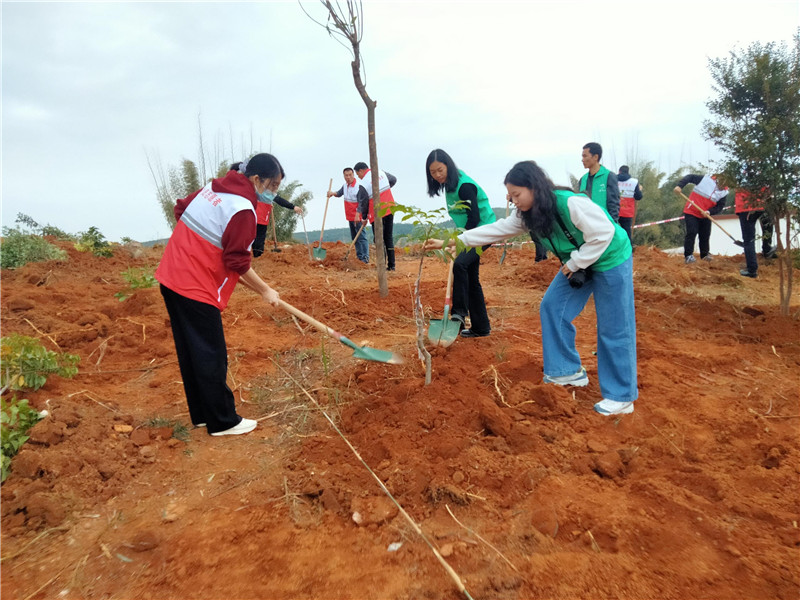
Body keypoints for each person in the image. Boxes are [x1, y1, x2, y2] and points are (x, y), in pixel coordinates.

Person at [425, 161, 637, 416]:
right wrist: (456, 241)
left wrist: (576, 262)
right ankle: (566, 371)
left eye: (517, 195)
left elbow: (603, 234)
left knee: (614, 325)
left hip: (609, 256)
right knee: (552, 307)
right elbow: (498, 229)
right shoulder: (527, 213)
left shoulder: (570, 203)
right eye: (511, 196)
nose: (514, 201)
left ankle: (621, 395)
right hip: (577, 260)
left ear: (534, 187)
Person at [155, 153, 282, 436]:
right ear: (256, 179)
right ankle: (222, 421)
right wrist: (265, 290)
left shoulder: (214, 189)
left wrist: (193, 246)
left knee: (191, 351)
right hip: (194, 285)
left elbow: (180, 210)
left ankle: (202, 414)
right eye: (272, 186)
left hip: (171, 275)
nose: (273, 193)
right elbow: (237, 261)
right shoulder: (242, 210)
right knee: (211, 353)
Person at [426, 149, 496, 338]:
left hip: (484, 231)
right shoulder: (450, 186)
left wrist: (458, 242)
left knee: (460, 265)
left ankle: (458, 314)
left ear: (448, 165)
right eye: (433, 173)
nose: (438, 175)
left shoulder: (464, 186)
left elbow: (474, 219)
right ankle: (481, 327)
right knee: (472, 279)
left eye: (440, 170)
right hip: (471, 233)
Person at [230, 162, 303, 258]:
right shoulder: (264, 188)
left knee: (250, 234)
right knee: (259, 234)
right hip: (260, 213)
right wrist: (293, 207)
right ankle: (257, 254)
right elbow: (278, 199)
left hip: (251, 212)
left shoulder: (251, 184)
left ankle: (248, 253)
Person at [673, 173, 728, 264]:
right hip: (692, 211)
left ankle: (705, 254)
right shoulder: (705, 180)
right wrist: (679, 186)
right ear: (720, 180)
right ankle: (688, 256)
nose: (724, 186)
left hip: (706, 214)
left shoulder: (724, 193)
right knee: (692, 232)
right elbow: (689, 177)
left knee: (705, 235)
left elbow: (719, 207)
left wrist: (709, 212)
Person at [354, 161, 397, 271]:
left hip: (377, 213)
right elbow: (393, 179)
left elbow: (364, 203)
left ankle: (382, 266)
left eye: (357, 174)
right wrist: (384, 189)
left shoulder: (363, 183)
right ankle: (392, 266)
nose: (358, 177)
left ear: (361, 171)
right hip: (390, 207)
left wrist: (364, 218)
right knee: (388, 237)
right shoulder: (380, 172)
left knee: (379, 239)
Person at [328, 167, 371, 263]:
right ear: (344, 176)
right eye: (346, 175)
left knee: (361, 237)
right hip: (350, 216)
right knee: (354, 237)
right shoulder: (345, 186)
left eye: (350, 175)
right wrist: (332, 193)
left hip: (357, 216)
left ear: (353, 175)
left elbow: (361, 202)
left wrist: (358, 214)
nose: (348, 177)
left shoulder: (359, 186)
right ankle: (360, 257)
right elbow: (339, 193)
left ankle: (365, 258)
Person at [735, 188, 774, 278]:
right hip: (763, 205)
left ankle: (752, 270)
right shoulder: (762, 174)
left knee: (749, 240)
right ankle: (767, 249)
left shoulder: (740, 175)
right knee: (768, 226)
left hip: (745, 207)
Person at [579, 142, 620, 221]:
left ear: (595, 157)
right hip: (586, 224)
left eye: (585, 156)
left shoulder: (609, 176)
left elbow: (613, 205)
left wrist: (613, 226)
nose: (582, 160)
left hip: (604, 225)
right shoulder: (582, 180)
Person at [617, 165, 643, 244]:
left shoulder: (613, 179)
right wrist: (640, 190)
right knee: (627, 231)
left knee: (614, 231)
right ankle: (628, 251)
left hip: (614, 210)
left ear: (619, 171)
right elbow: (638, 197)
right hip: (627, 212)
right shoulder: (634, 182)